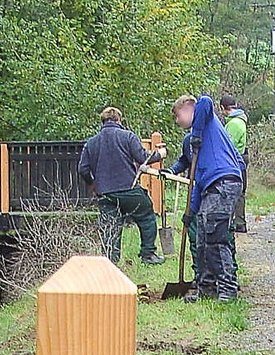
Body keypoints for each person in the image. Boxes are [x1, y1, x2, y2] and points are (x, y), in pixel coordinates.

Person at [168, 94, 244, 301]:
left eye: (178, 115)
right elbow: (197, 183)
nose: (177, 121)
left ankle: (228, 288)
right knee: (202, 237)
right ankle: (206, 288)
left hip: (223, 182)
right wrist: (190, 212)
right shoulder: (196, 145)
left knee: (215, 237)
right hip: (211, 186)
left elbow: (205, 100)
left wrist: (197, 132)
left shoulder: (206, 119)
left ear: (187, 107)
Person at [77, 106, 165, 265]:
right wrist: (160, 155)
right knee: (147, 216)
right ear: (118, 120)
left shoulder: (91, 143)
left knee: (110, 226)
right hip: (128, 189)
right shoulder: (128, 137)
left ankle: (110, 262)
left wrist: (93, 184)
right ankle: (148, 254)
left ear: (102, 122)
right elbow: (142, 158)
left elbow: (83, 169)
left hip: (105, 193)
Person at [220, 94, 249, 233]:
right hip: (241, 158)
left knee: (235, 191)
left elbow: (228, 145)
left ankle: (236, 223)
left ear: (222, 108)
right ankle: (239, 222)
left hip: (235, 160)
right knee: (240, 191)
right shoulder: (239, 120)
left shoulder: (234, 124)